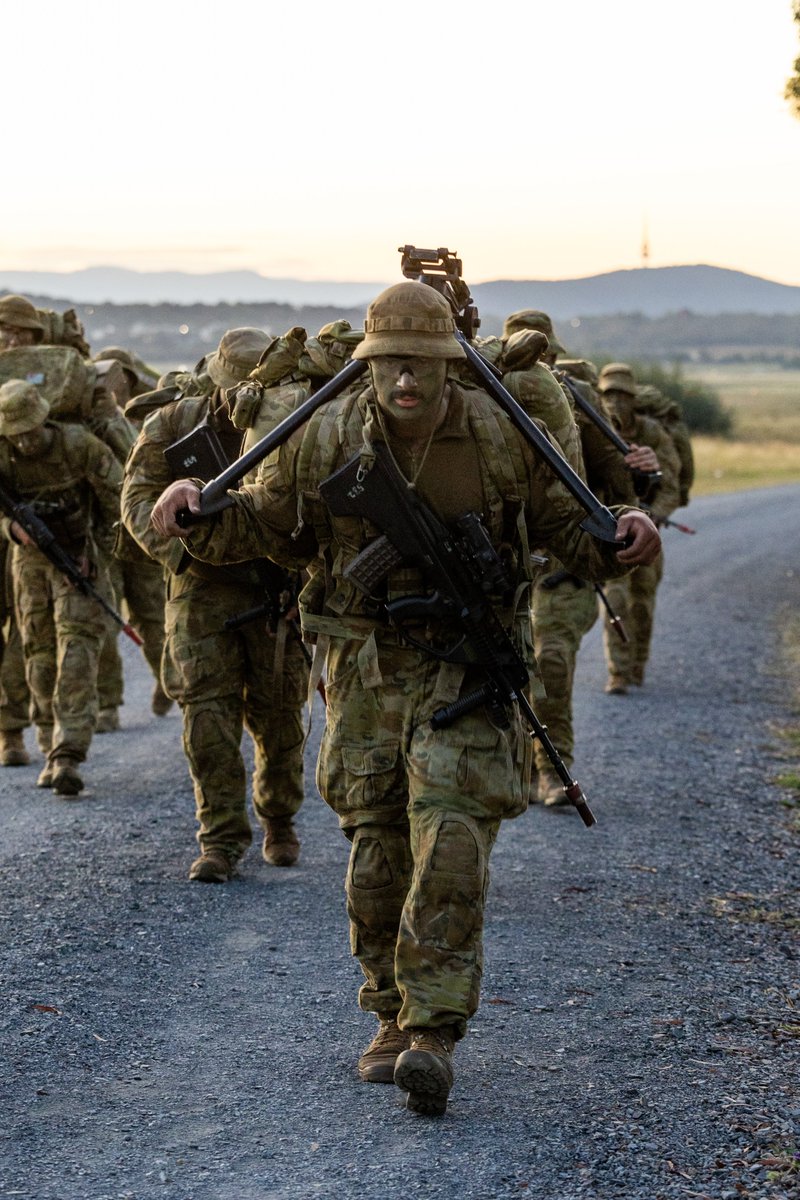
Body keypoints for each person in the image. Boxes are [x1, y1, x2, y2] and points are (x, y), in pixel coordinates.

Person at [150, 282, 660, 1116]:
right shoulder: (323, 433)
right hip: (363, 664)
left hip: (469, 662)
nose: (406, 383)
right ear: (369, 367)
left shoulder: (504, 430)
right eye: (389, 366)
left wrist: (622, 532)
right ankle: (388, 1013)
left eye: (422, 366)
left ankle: (433, 1032)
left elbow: (570, 525)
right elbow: (269, 527)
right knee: (378, 850)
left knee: (453, 834)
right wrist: (196, 512)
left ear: (451, 366)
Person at [122, 328, 308, 883]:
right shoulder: (174, 422)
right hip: (201, 592)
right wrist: (180, 552)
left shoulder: (295, 421)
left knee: (279, 721)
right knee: (207, 717)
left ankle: (279, 817)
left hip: (275, 593)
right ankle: (221, 839)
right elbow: (134, 496)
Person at [0, 380, 122, 795]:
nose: (25, 441)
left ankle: (67, 753)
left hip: (79, 560)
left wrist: (96, 554)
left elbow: (119, 502)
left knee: (76, 651)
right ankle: (46, 737)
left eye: (31, 430)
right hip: (30, 562)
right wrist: (12, 528)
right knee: (38, 652)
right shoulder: (3, 456)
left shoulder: (79, 446)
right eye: (16, 434)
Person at [597, 362, 681, 693]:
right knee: (615, 601)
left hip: (648, 532)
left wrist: (654, 517)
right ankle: (617, 671)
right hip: (613, 532)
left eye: (623, 396)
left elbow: (671, 484)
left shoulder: (652, 434)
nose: (616, 403)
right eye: (609, 395)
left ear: (633, 399)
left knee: (642, 605)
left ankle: (637, 664)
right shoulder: (596, 431)